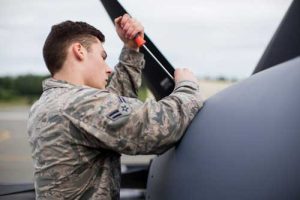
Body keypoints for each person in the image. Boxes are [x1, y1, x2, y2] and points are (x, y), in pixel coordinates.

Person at [27, 14, 203, 199]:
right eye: (102, 56)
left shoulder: (48, 103)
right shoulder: (79, 104)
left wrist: (131, 49)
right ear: (79, 50)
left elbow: (112, 112)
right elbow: (155, 128)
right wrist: (187, 87)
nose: (108, 68)